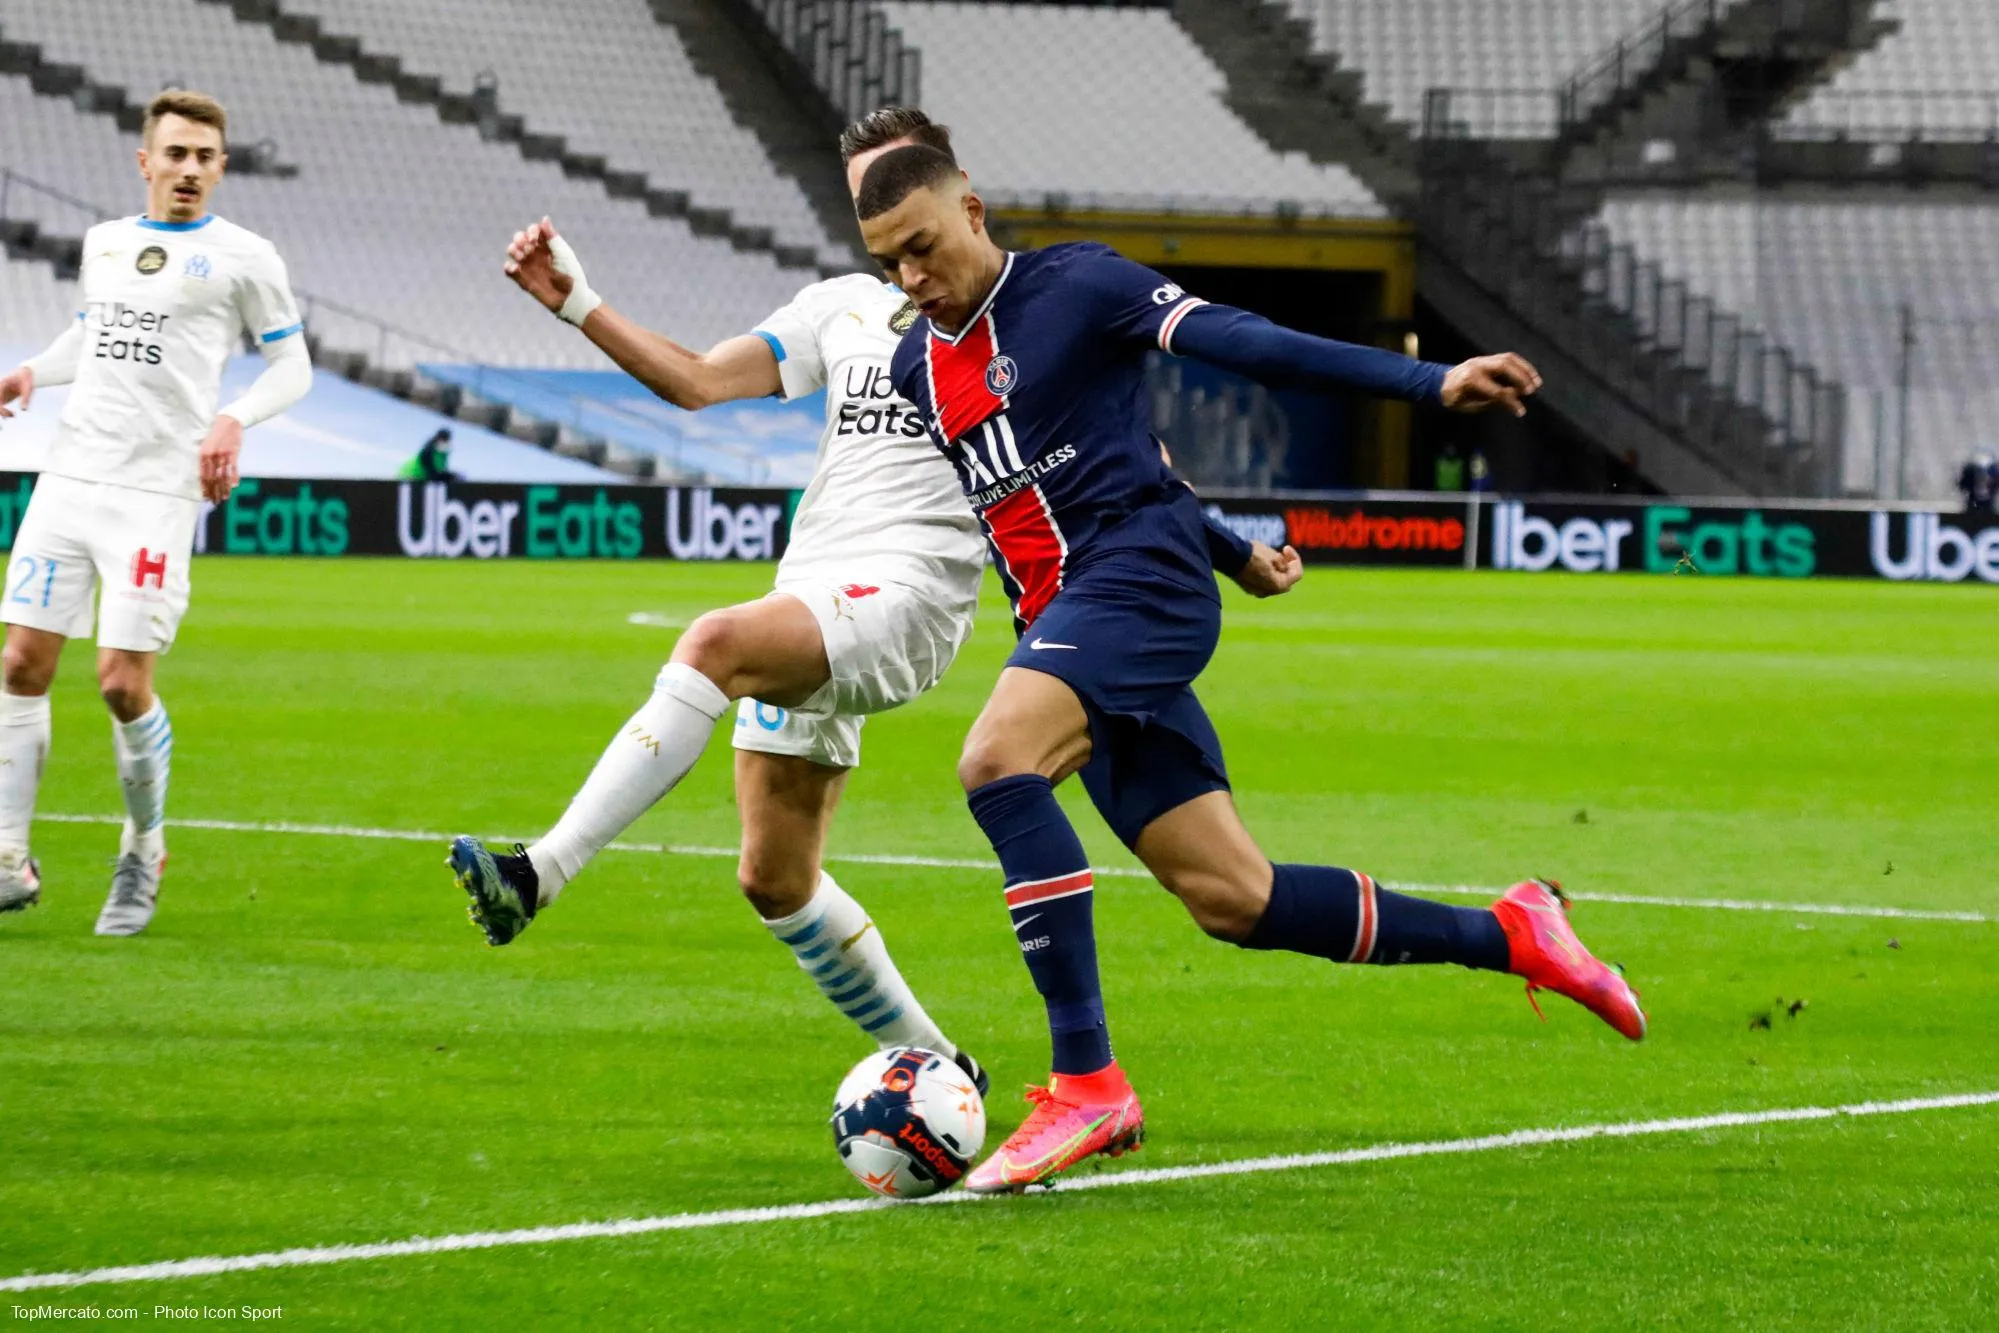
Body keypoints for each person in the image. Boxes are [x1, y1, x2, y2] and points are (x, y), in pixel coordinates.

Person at [449, 111, 1303, 1088]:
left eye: (889, 187)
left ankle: (538, 873)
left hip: (906, 597)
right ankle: (945, 1071)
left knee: (714, 642)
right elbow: (693, 381)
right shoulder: (840, 309)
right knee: (774, 878)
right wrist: (579, 303)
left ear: (937, 185)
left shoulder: (1013, 320)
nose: (875, 212)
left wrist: (1237, 555)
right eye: (861, 198)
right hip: (813, 590)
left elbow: (1130, 463)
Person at [856, 141, 1646, 1193]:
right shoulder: (918, 366)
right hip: (1075, 623)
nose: (910, 277)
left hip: (1137, 585)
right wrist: (1239, 551)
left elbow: (1244, 342)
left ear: (971, 209)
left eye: (921, 247)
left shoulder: (1077, 285)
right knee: (1237, 900)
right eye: (886, 263)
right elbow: (1134, 461)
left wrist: (1429, 379)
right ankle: (1512, 933)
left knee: (997, 761)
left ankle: (1087, 1084)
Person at [0, 90, 311, 935]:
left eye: (205, 157)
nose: (189, 170)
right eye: (175, 154)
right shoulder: (104, 243)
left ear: (221, 167)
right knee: (20, 661)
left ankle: (145, 844)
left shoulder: (246, 257)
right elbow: (90, 339)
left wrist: (231, 417)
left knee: (120, 684)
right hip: (70, 476)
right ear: (146, 162)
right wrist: (32, 369)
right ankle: (6, 857)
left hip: (154, 493)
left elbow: (293, 368)